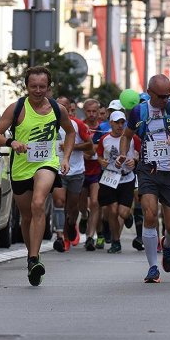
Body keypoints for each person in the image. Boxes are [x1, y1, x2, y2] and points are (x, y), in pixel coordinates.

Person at [0, 66, 75, 286]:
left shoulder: (58, 109)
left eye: (42, 87)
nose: (38, 91)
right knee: (26, 217)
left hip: (46, 163)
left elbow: (71, 131)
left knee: (39, 203)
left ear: (49, 87)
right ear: (26, 86)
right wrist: (12, 142)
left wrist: (65, 158)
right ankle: (32, 257)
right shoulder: (16, 108)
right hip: (21, 167)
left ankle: (34, 257)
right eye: (33, 86)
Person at [117, 74, 170, 283]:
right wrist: (123, 154)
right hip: (148, 170)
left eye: (168, 95)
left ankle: (167, 244)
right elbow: (127, 135)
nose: (165, 100)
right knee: (149, 215)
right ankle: (153, 267)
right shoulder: (139, 111)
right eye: (161, 96)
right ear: (149, 93)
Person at [52, 96, 92, 253]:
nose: (61, 109)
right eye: (58, 106)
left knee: (72, 207)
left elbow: (90, 146)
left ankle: (70, 225)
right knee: (59, 202)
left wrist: (72, 146)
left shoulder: (77, 124)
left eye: (64, 106)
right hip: (56, 170)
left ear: (69, 108)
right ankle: (61, 237)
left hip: (75, 171)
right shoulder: (49, 123)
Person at [98, 110, 140, 253]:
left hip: (127, 178)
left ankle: (128, 215)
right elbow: (98, 155)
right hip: (110, 177)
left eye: (122, 122)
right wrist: (101, 162)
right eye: (117, 122)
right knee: (112, 210)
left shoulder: (132, 138)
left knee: (123, 213)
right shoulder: (104, 139)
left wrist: (134, 160)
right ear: (111, 123)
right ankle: (116, 241)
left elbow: (139, 154)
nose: (120, 125)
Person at [80, 98, 105, 250]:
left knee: (95, 202)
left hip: (97, 170)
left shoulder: (104, 128)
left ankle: (90, 237)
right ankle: (83, 216)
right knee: (82, 205)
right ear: (84, 111)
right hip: (81, 170)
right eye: (88, 111)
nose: (92, 114)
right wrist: (84, 153)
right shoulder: (80, 126)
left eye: (94, 111)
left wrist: (95, 149)